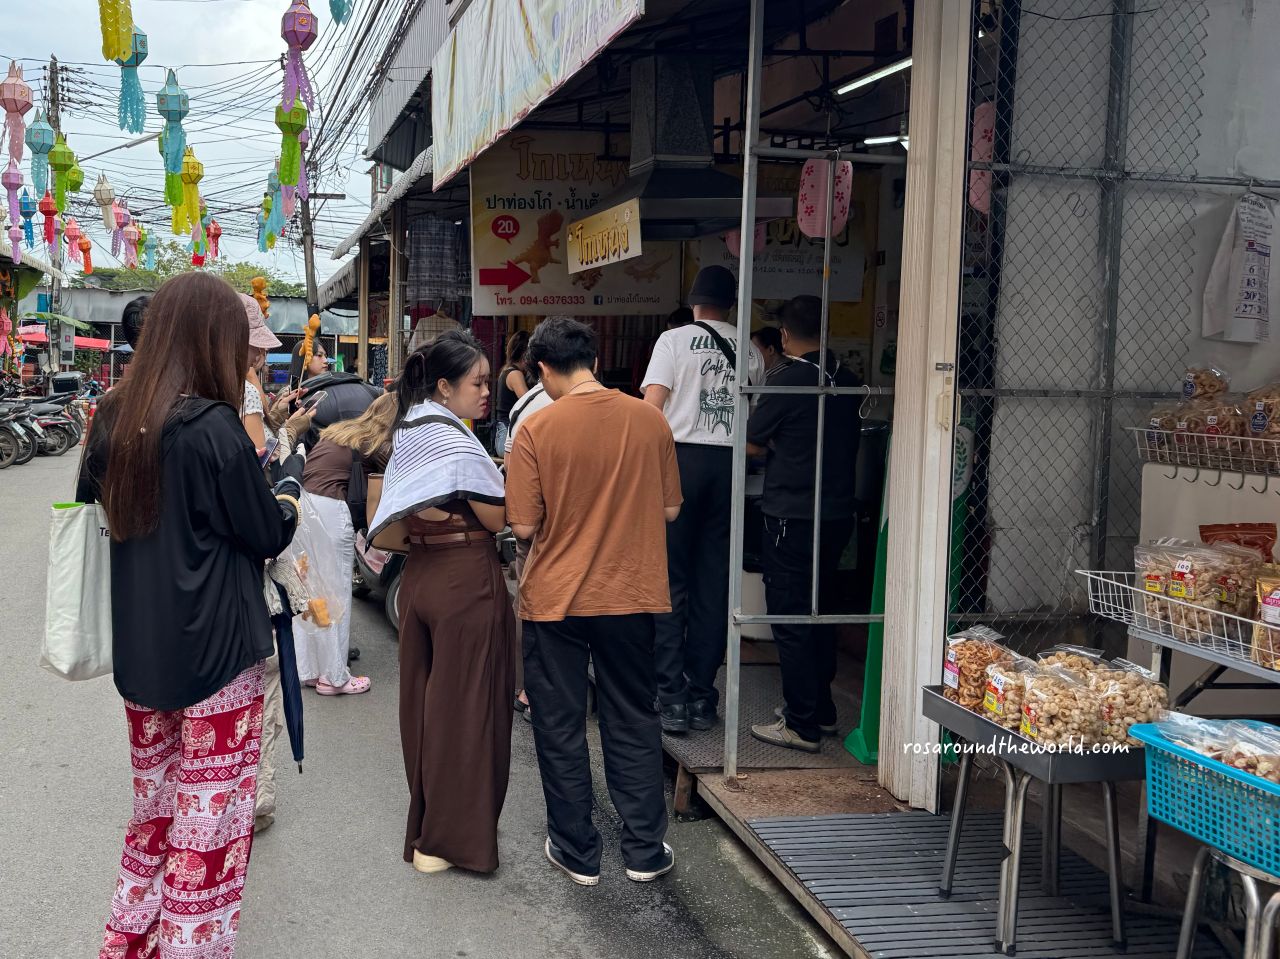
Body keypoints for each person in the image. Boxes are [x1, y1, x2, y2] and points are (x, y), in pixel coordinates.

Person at [77, 272, 303, 958]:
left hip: (142, 655)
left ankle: (129, 943)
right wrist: (289, 489)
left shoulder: (111, 416)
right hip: (217, 659)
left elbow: (93, 505)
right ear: (211, 339)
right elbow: (265, 532)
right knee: (208, 834)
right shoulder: (212, 426)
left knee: (154, 817)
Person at [506, 316, 683, 887]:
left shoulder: (536, 428)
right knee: (632, 716)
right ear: (596, 361)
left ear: (542, 369)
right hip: (630, 593)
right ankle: (644, 851)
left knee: (559, 723)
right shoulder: (649, 419)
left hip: (554, 600)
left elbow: (523, 525)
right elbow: (670, 510)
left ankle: (577, 851)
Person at [367, 330, 514, 875]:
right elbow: (498, 518)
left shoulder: (411, 428)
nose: (487, 392)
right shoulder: (457, 442)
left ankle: (427, 830)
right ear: (446, 386)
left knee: (424, 709)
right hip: (465, 581)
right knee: (468, 711)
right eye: (478, 383)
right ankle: (450, 842)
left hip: (421, 578)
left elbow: (392, 521)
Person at [641, 264, 764, 734]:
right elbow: (753, 415)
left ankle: (670, 697)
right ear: (731, 304)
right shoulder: (750, 350)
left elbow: (652, 410)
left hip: (680, 462)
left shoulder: (672, 341)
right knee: (714, 583)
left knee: (670, 579)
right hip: (730, 466)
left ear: (693, 301)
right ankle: (701, 697)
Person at [745, 295, 861, 752]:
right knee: (821, 614)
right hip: (836, 515)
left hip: (790, 515)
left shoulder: (789, 379)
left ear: (785, 335)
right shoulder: (847, 378)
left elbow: (751, 443)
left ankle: (800, 723)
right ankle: (821, 710)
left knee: (790, 618)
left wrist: (778, 445)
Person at [290, 394, 396, 695]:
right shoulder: (373, 442)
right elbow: (398, 472)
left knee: (312, 593)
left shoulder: (339, 431)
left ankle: (310, 670)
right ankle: (335, 677)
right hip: (331, 511)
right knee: (336, 594)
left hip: (305, 509)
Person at [494, 329, 531, 455]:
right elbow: (528, 401)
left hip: (503, 435)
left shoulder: (506, 370)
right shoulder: (515, 374)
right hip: (507, 438)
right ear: (525, 354)